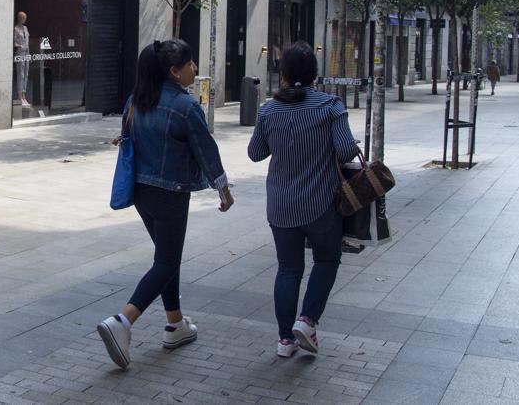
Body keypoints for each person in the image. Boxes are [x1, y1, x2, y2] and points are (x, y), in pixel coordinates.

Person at [97, 39, 233, 370]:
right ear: (174, 71)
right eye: (189, 64)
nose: (194, 69)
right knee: (167, 261)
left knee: (166, 258)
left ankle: (175, 324)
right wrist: (223, 188)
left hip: (141, 192)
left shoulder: (137, 99)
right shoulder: (185, 107)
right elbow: (205, 149)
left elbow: (127, 135)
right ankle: (123, 320)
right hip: (171, 192)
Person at [248, 41, 360, 358]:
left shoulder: (268, 110)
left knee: (288, 269)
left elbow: (255, 153)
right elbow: (346, 151)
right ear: (314, 74)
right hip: (320, 205)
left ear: (282, 73)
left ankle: (285, 340)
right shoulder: (330, 107)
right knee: (326, 260)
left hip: (281, 206)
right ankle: (307, 320)